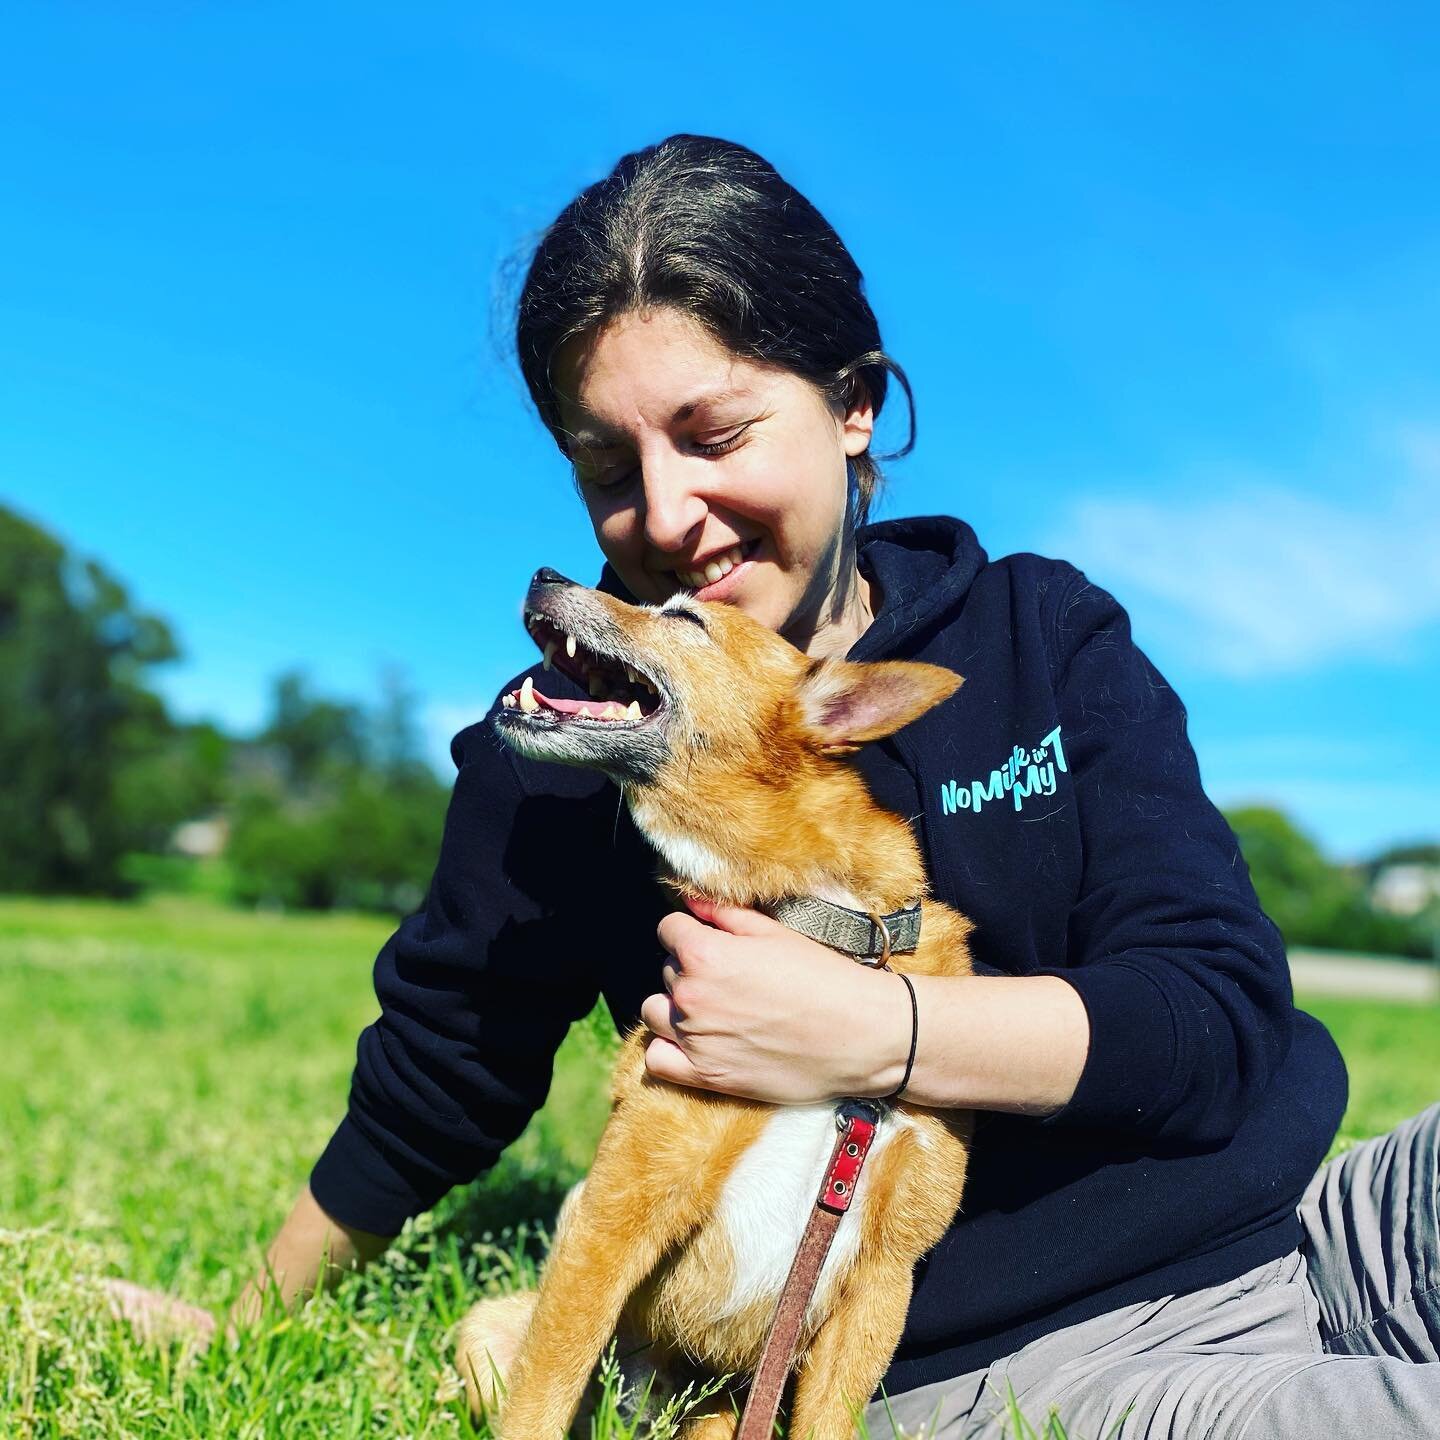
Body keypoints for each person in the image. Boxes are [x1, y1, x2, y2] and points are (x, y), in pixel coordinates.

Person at [237, 136, 1440, 1436]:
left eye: (716, 433)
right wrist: (248, 1317)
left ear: (852, 402)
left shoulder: (1039, 635)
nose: (668, 514)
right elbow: (440, 1067)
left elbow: (1217, 1014)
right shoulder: (573, 757)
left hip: (1321, 1225)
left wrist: (877, 1033)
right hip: (1038, 1371)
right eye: (605, 468)